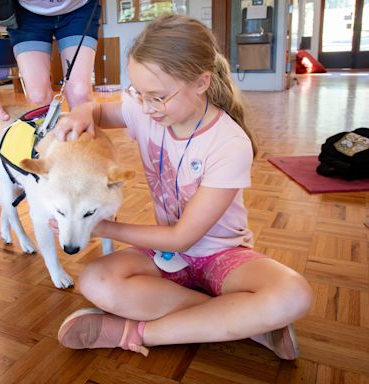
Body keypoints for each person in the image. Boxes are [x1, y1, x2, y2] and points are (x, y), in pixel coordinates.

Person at [54, 14, 313, 359]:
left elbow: (182, 238)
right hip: (167, 257)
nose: (145, 107)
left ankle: (137, 332)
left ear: (201, 82)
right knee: (93, 281)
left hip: (221, 254)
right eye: (137, 93)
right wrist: (85, 110)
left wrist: (101, 226)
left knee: (293, 293)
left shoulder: (229, 144)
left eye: (157, 97)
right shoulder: (147, 110)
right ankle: (241, 320)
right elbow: (103, 114)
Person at [0, 0, 101, 141]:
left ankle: (87, 157)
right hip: (27, 16)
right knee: (38, 97)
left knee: (80, 94)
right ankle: (47, 155)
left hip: (79, 10)